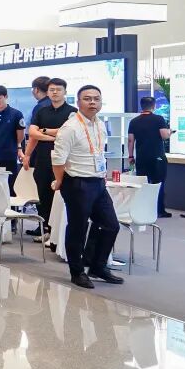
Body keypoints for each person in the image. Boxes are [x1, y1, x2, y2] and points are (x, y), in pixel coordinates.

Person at [51, 85, 125, 289]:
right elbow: (58, 160)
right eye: (87, 98)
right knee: (78, 228)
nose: (93, 102)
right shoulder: (70, 128)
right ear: (78, 102)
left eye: (96, 98)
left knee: (111, 225)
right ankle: (77, 272)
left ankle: (97, 266)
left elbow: (98, 153)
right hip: (77, 182)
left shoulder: (99, 124)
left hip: (98, 182)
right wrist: (59, 181)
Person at [23, 78, 76, 244]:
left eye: (58, 89)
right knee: (43, 195)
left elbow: (66, 132)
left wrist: (44, 131)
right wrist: (27, 155)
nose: (55, 92)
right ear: (48, 92)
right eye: (52, 89)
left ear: (65, 92)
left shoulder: (72, 112)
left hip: (64, 161)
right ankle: (46, 230)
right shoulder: (42, 111)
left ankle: (58, 234)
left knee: (59, 196)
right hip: (43, 159)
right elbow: (32, 133)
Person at [128, 96, 172, 218]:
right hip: (157, 157)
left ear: (141, 106)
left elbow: (131, 140)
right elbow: (164, 136)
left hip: (141, 157)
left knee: (143, 184)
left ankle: (143, 209)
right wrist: (170, 132)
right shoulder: (159, 119)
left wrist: (131, 156)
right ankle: (159, 210)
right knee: (158, 184)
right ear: (154, 106)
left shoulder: (134, 121)